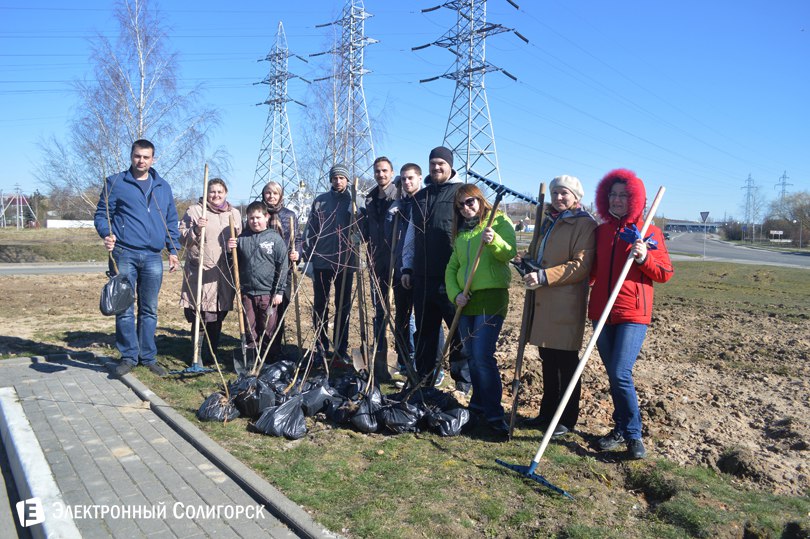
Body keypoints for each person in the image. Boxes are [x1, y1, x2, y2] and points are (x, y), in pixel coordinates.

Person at [589, 168, 673, 459]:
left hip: (632, 313)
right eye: (612, 194)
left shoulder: (649, 231)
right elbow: (591, 272)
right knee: (613, 375)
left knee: (621, 372)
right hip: (602, 312)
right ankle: (620, 428)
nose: (617, 200)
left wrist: (644, 257)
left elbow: (664, 273)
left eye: (623, 195)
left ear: (635, 199)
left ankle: (634, 435)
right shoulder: (601, 232)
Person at [94, 139, 180, 377]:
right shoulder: (115, 183)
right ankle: (129, 356)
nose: (141, 161)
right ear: (131, 156)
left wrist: (173, 250)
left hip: (153, 256)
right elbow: (102, 214)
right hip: (124, 253)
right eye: (137, 156)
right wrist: (106, 233)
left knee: (150, 309)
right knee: (124, 307)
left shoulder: (162, 186)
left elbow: (171, 220)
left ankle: (148, 357)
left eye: (146, 157)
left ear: (153, 159)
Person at [521, 175, 596, 438]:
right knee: (547, 360)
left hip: (565, 302)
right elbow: (538, 254)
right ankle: (547, 413)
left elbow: (581, 265)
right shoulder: (549, 221)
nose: (559, 198)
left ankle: (566, 419)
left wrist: (543, 276)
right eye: (555, 194)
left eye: (564, 193)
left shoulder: (584, 224)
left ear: (576, 197)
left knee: (565, 361)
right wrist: (527, 264)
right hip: (543, 300)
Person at [445, 184, 516, 435]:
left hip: (492, 297)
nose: (466, 208)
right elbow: (452, 268)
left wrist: (494, 240)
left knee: (483, 355)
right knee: (471, 355)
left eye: (470, 202)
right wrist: (456, 295)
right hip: (468, 301)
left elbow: (510, 253)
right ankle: (477, 406)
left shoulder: (498, 222)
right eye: (461, 205)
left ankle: (495, 414)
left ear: (480, 199)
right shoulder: (462, 234)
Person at [401, 146, 471, 392]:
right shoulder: (421, 196)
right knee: (425, 332)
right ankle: (424, 379)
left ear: (450, 166)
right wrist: (407, 267)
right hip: (422, 276)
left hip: (451, 278)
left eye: (441, 163)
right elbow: (411, 234)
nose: (436, 167)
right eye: (433, 164)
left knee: (458, 333)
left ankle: (463, 384)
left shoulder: (461, 194)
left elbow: (471, 230)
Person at [178, 178, 242, 364]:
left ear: (226, 193)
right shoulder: (195, 211)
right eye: (212, 192)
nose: (215, 195)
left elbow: (240, 239)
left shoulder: (234, 213)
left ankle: (211, 353)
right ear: (206, 193)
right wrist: (196, 229)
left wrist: (234, 246)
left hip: (223, 273)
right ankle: (196, 355)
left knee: (217, 315)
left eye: (219, 192)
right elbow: (183, 239)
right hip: (201, 272)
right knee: (200, 315)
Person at [304, 164, 358, 366]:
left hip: (346, 261)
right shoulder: (320, 201)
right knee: (321, 305)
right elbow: (311, 229)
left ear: (347, 180)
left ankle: (340, 349)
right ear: (331, 180)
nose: (338, 181)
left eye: (342, 178)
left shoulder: (354, 200)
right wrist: (309, 257)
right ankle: (320, 347)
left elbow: (362, 226)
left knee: (343, 306)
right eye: (335, 178)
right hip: (322, 260)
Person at [227, 201, 289, 363]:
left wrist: (279, 291)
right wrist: (229, 251)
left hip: (268, 294)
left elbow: (283, 266)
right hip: (247, 293)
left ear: (266, 217)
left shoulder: (274, 239)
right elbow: (231, 264)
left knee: (269, 328)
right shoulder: (241, 240)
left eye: (258, 217)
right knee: (250, 327)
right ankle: (252, 359)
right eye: (251, 218)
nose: (254, 221)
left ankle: (271, 360)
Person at [362, 156, 399, 382]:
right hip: (375, 261)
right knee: (378, 309)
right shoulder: (369, 199)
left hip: (396, 261)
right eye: (377, 171)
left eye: (385, 171)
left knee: (404, 314)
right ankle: (380, 353)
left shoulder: (400, 196)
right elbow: (365, 233)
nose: (381, 175)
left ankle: (407, 357)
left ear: (391, 173)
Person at [260, 181, 300, 358]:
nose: (271, 196)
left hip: (285, 271)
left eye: (275, 193)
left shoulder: (289, 215)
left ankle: (276, 344)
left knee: (281, 307)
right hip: (262, 270)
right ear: (264, 195)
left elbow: (298, 238)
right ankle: (263, 344)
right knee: (264, 308)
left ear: (280, 196)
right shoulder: (259, 214)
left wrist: (297, 252)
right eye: (268, 193)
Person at [390, 163, 422, 376]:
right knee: (401, 318)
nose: (407, 182)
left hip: (422, 269)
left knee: (423, 321)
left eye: (410, 178)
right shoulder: (399, 206)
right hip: (400, 269)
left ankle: (424, 365)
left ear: (419, 178)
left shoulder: (425, 202)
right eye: (403, 179)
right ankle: (404, 363)